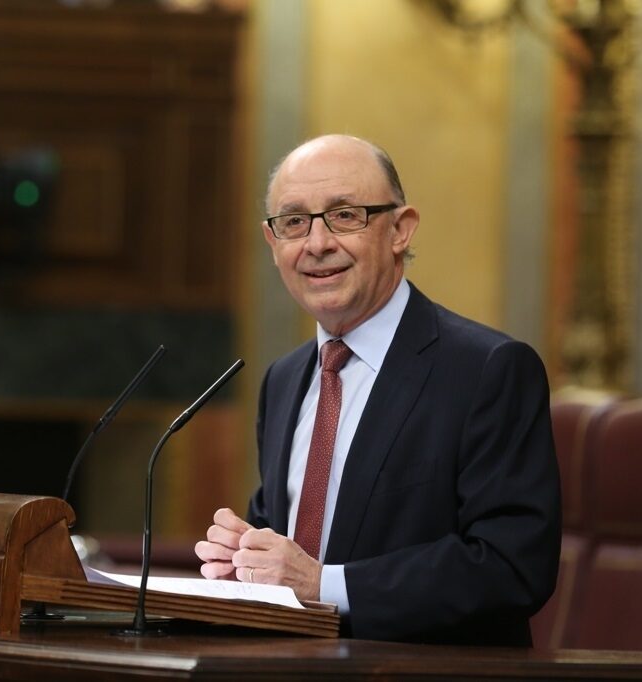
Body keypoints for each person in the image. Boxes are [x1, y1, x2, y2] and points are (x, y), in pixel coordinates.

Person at [194, 134, 561, 645]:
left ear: (400, 230)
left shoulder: (488, 370)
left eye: (345, 216)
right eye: (294, 222)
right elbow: (287, 552)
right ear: (273, 243)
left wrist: (323, 586)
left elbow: (511, 566)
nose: (317, 244)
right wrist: (244, 560)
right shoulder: (283, 379)